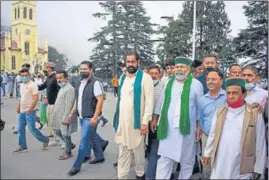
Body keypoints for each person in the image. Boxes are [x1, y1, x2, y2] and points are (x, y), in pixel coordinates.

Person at [202, 77, 266, 179]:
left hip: (242, 165)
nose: (231, 96)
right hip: (220, 162)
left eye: (235, 93)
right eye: (228, 93)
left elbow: (260, 142)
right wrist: (207, 153)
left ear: (244, 94)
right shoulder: (220, 112)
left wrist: (258, 167)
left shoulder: (254, 114)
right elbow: (213, 135)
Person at [152, 57, 203, 179]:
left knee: (187, 160)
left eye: (182, 67)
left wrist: (199, 126)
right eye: (177, 67)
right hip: (168, 129)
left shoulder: (196, 85)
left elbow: (200, 107)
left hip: (188, 129)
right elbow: (161, 102)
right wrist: (155, 118)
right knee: (165, 158)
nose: (179, 69)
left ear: (188, 69)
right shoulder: (169, 83)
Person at [113, 52, 154, 179]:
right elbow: (121, 100)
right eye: (128, 62)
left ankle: (140, 173)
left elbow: (149, 101)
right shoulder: (122, 78)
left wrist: (144, 122)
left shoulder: (145, 78)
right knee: (123, 151)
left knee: (138, 152)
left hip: (137, 124)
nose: (130, 64)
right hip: (123, 123)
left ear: (138, 62)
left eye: (133, 62)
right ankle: (122, 176)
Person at [67, 61, 105, 176]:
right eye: (81, 69)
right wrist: (72, 112)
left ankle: (76, 166)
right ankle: (99, 156)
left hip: (90, 117)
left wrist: (95, 117)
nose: (83, 71)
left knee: (83, 142)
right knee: (92, 137)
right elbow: (77, 100)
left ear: (91, 70)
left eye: (85, 69)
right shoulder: (80, 82)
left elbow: (100, 100)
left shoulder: (96, 83)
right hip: (82, 117)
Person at [13, 68, 50, 153]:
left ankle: (45, 140)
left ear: (29, 75)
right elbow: (22, 97)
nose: (24, 77)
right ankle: (22, 146)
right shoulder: (22, 85)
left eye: (26, 75)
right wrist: (18, 106)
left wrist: (31, 108)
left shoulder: (33, 85)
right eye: (22, 76)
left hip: (30, 111)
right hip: (22, 110)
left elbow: (36, 98)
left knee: (32, 129)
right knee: (20, 129)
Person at [197, 69, 226, 155]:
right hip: (207, 137)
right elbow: (201, 120)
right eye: (208, 79)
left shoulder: (228, 97)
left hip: (224, 139)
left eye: (213, 79)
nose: (210, 82)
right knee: (207, 166)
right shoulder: (202, 100)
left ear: (221, 81)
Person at [52, 70, 77, 160]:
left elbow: (69, 105)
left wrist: (66, 117)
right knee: (57, 131)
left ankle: (68, 151)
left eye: (61, 78)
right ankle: (69, 145)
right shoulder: (62, 88)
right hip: (58, 115)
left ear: (66, 78)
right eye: (57, 78)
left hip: (64, 116)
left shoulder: (69, 89)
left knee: (65, 134)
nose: (58, 80)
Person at [146, 64, 165, 180]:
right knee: (148, 147)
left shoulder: (163, 86)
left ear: (159, 74)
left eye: (155, 74)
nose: (153, 76)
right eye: (151, 74)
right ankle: (151, 169)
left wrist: (155, 118)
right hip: (146, 120)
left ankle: (152, 173)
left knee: (155, 146)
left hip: (157, 120)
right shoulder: (146, 85)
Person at [38, 62, 62, 147]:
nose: (44, 69)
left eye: (45, 67)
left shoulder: (55, 78)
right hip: (49, 104)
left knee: (55, 123)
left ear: (49, 68)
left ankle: (62, 141)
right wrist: (33, 86)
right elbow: (41, 86)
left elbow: (60, 90)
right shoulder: (48, 78)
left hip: (55, 103)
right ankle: (56, 139)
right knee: (51, 123)